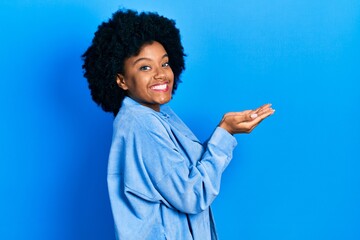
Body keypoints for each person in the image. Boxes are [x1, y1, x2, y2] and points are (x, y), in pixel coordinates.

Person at [82, 9, 274, 240]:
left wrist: (226, 129)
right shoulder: (141, 124)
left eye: (164, 64)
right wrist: (225, 133)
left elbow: (188, 171)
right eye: (145, 67)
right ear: (121, 80)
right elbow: (192, 194)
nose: (160, 74)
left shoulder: (159, 115)